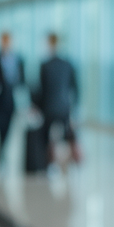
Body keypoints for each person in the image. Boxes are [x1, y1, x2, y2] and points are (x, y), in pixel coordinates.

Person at [39, 32, 79, 162]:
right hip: (64, 107)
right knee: (68, 135)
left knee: (46, 137)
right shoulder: (68, 64)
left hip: (49, 108)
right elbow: (75, 89)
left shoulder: (45, 65)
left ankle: (49, 162)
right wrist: (74, 109)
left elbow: (41, 91)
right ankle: (70, 160)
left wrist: (37, 107)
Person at [0, 31, 24, 159]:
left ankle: (2, 153)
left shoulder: (18, 60)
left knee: (8, 130)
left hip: (12, 102)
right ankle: (0, 155)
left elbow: (22, 83)